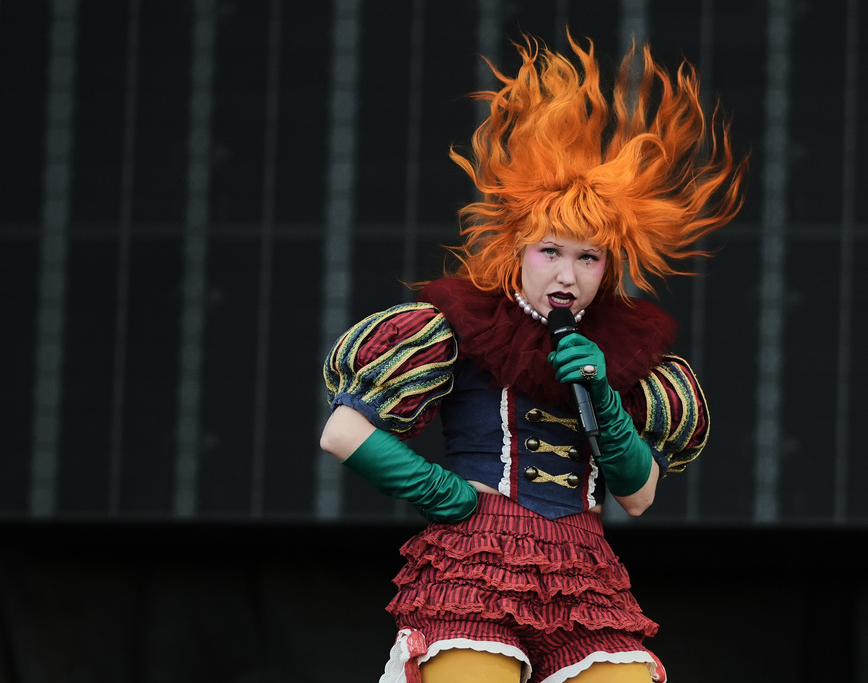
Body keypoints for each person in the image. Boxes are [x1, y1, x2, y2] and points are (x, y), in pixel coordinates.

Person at [320, 32, 746, 683]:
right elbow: (342, 430)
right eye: (551, 251)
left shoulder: (621, 356)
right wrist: (449, 496)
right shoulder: (461, 329)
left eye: (588, 256)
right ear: (518, 250)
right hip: (478, 557)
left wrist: (604, 394)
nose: (567, 274)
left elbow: (639, 495)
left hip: (583, 566)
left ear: (608, 266)